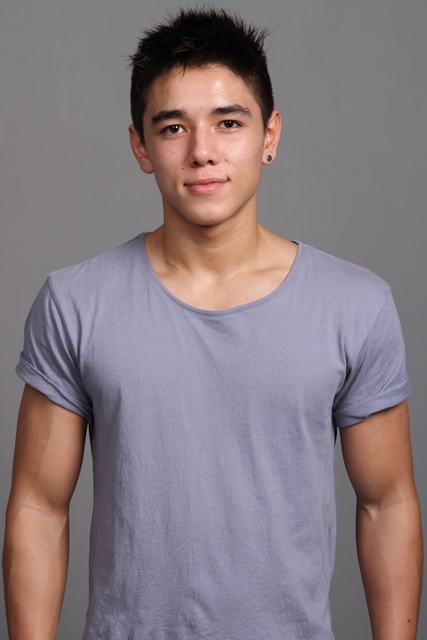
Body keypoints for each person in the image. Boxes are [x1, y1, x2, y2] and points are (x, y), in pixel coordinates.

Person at [3, 8, 423, 640]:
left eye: (229, 122)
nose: (202, 152)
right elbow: (38, 507)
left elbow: (386, 503)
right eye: (173, 127)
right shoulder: (76, 302)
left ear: (269, 134)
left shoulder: (354, 304)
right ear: (140, 146)